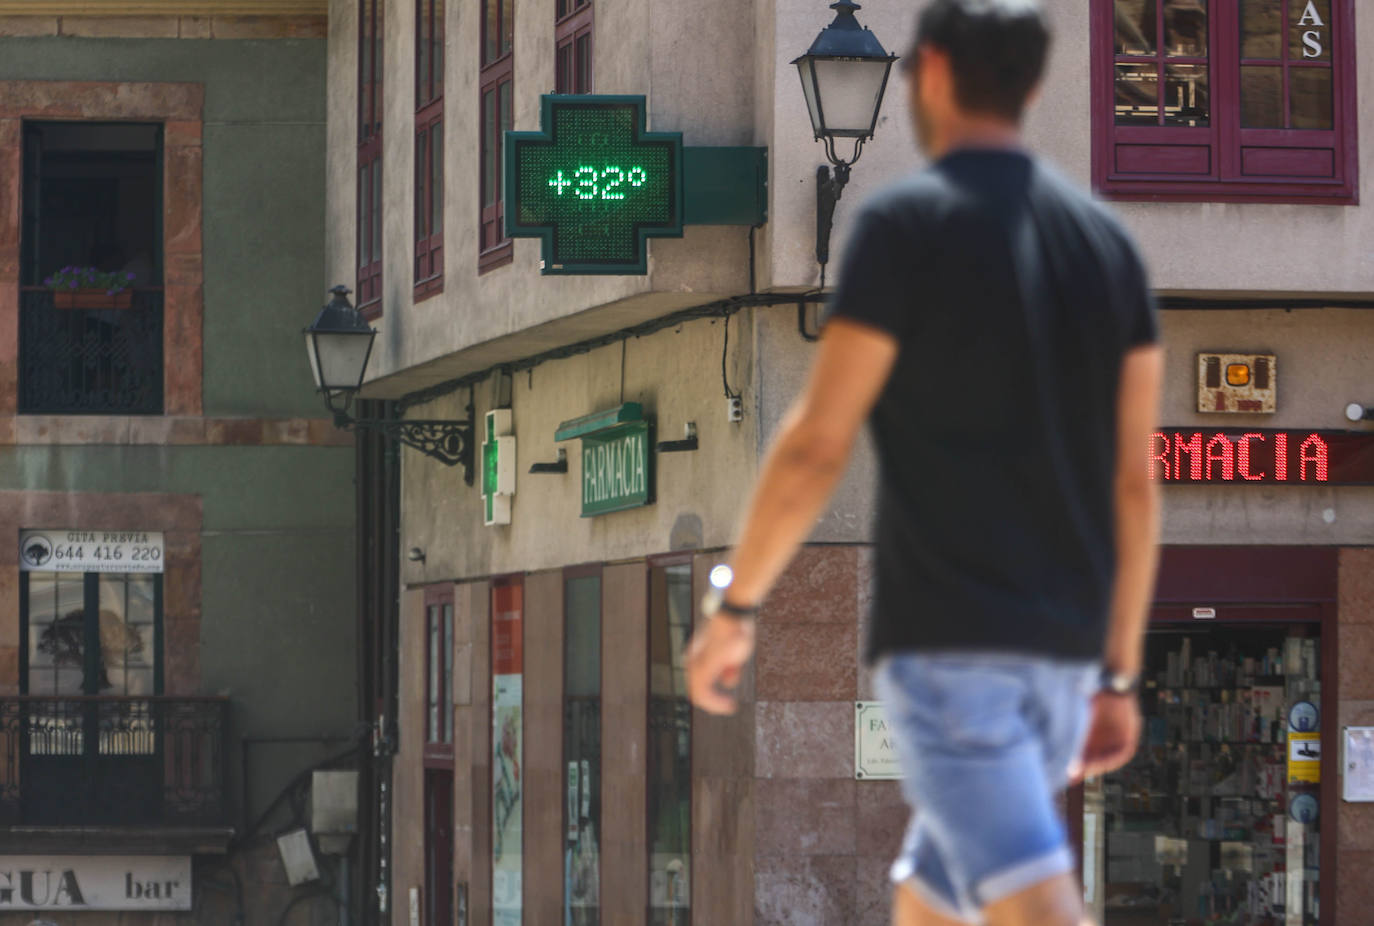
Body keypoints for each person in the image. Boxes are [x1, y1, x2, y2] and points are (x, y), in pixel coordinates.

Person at [684, 2, 1163, 925]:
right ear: (1032, 84)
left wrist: (735, 605)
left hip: (954, 654)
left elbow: (819, 441)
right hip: (1063, 663)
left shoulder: (907, 226)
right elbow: (1133, 484)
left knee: (1039, 907)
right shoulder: (1109, 249)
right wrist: (1116, 674)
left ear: (934, 71)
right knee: (929, 900)